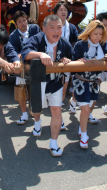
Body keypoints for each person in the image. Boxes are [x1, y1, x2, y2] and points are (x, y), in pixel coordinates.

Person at [21, 15, 72, 157]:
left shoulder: (64, 43)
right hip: (39, 81)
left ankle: (54, 142)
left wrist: (66, 59)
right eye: (52, 27)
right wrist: (40, 54)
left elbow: (71, 55)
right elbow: (25, 53)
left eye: (59, 27)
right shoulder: (36, 39)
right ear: (44, 29)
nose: (56, 31)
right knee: (37, 109)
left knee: (57, 111)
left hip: (56, 82)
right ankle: (37, 122)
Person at [72, 20, 107, 149]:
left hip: (94, 82)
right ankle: (84, 135)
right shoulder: (80, 44)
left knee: (90, 106)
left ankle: (82, 127)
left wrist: (103, 59)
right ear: (89, 32)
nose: (98, 37)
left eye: (100, 34)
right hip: (81, 80)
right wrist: (78, 61)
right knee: (85, 109)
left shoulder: (103, 44)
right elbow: (73, 58)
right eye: (95, 33)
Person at [9, 11, 41, 125]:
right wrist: (17, 57)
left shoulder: (34, 29)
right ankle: (24, 114)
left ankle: (33, 109)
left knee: (35, 89)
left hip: (35, 63)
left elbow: (41, 42)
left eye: (24, 20)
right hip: (21, 65)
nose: (23, 23)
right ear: (16, 24)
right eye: (19, 21)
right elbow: (11, 50)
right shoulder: (13, 35)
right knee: (20, 89)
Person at [54, 1, 78, 125]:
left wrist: (69, 57)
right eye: (61, 10)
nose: (64, 12)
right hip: (53, 62)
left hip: (66, 62)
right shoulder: (51, 26)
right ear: (55, 13)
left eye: (65, 10)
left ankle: (60, 119)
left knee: (63, 88)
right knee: (52, 90)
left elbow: (75, 44)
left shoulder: (72, 28)